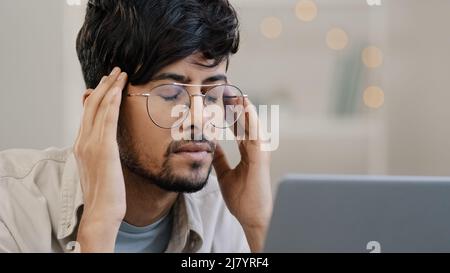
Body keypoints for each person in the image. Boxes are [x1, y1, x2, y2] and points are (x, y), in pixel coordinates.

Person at [0, 0, 272, 253]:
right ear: (101, 105)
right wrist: (100, 223)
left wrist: (259, 226)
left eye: (212, 94)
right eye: (170, 93)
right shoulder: (11, 204)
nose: (200, 118)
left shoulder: (226, 214)